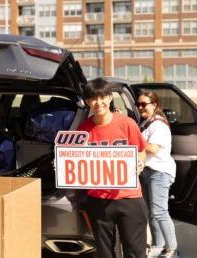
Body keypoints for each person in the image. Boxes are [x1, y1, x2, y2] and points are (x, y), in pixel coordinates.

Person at [76, 78, 148, 258]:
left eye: (102, 97)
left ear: (109, 98)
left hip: (130, 198)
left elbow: (141, 150)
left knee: (135, 252)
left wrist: (140, 162)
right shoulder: (82, 130)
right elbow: (74, 159)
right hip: (98, 200)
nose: (98, 102)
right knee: (104, 252)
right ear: (87, 102)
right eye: (93, 98)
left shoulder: (127, 124)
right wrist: (61, 164)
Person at [137, 91, 179, 258]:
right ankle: (158, 245)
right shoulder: (146, 122)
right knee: (151, 212)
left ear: (154, 105)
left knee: (160, 212)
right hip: (147, 171)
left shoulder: (158, 124)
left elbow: (153, 148)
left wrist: (135, 140)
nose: (140, 107)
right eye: (138, 104)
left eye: (144, 104)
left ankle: (172, 249)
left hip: (160, 172)